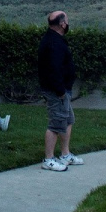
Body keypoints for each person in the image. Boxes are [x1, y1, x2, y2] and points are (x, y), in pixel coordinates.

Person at [38, 10, 81, 171]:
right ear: (62, 24)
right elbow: (52, 70)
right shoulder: (53, 43)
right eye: (67, 21)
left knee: (67, 120)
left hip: (62, 91)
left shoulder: (55, 40)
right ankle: (48, 159)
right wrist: (61, 91)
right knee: (56, 124)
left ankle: (65, 154)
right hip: (57, 92)